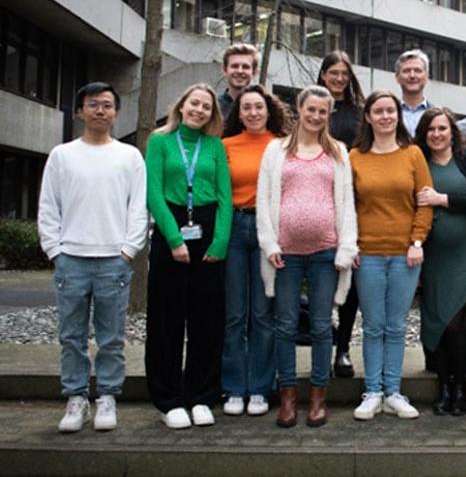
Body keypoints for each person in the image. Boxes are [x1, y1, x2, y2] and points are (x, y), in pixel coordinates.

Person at [38, 82, 148, 433]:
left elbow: (139, 208)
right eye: (92, 104)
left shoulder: (129, 156)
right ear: (79, 111)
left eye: (107, 105)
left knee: (111, 335)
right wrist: (55, 249)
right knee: (71, 335)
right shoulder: (62, 155)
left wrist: (128, 250)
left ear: (116, 113)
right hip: (71, 257)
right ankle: (76, 397)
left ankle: (108, 396)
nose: (100, 110)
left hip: (113, 259)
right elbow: (48, 207)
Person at [256, 85, 358, 428]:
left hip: (326, 253)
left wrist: (347, 247)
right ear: (300, 108)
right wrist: (269, 244)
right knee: (284, 324)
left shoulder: (338, 151)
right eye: (311, 109)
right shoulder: (276, 150)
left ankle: (318, 395)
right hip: (285, 254)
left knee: (319, 325)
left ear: (329, 114)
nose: (316, 116)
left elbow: (347, 204)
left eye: (323, 111)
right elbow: (263, 200)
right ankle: (287, 396)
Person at [145, 83, 232, 429]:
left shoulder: (214, 146)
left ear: (212, 114)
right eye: (194, 104)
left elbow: (225, 196)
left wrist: (220, 242)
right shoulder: (159, 141)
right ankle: (169, 400)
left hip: (208, 231)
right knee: (167, 319)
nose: (199, 110)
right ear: (181, 106)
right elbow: (153, 192)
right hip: (172, 228)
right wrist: (173, 238)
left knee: (207, 321)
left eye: (206, 107)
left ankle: (201, 395)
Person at [350, 90, 433, 420]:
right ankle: (372, 392)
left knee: (397, 326)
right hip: (366, 254)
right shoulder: (354, 156)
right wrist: (351, 243)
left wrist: (417, 241)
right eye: (378, 111)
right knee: (372, 325)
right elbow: (347, 205)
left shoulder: (413, 154)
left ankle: (394, 391)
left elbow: (424, 201)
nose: (385, 116)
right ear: (368, 117)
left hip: (405, 255)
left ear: (398, 117)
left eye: (391, 111)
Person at [414, 107, 466, 416]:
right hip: (432, 256)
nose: (436, 134)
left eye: (442, 129)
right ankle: (443, 387)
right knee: (437, 321)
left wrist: (441, 200)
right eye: (431, 129)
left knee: (455, 323)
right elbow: (411, 201)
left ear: (452, 131)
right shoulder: (418, 161)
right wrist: (465, 200)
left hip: (465, 256)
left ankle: (459, 388)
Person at [220, 85, 292, 417]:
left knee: (263, 314)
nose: (252, 113)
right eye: (246, 107)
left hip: (268, 231)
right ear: (238, 112)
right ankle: (235, 386)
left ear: (268, 110)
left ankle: (261, 388)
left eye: (258, 107)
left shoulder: (281, 145)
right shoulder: (225, 146)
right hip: (234, 228)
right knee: (235, 314)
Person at [316, 50, 365, 378]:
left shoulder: (360, 113)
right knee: (318, 273)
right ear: (322, 75)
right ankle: (322, 339)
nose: (338, 79)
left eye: (343, 74)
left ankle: (343, 347)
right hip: (317, 198)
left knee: (351, 273)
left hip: (355, 200)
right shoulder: (313, 109)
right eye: (332, 73)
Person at [394, 49, 432, 137]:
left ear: (427, 77)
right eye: (406, 71)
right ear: (397, 77)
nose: (412, 76)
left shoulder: (437, 115)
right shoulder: (389, 114)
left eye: (417, 70)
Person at [218, 43, 260, 121]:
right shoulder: (213, 107)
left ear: (254, 72)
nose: (240, 71)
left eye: (245, 67)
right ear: (224, 70)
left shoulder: (264, 108)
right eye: (235, 66)